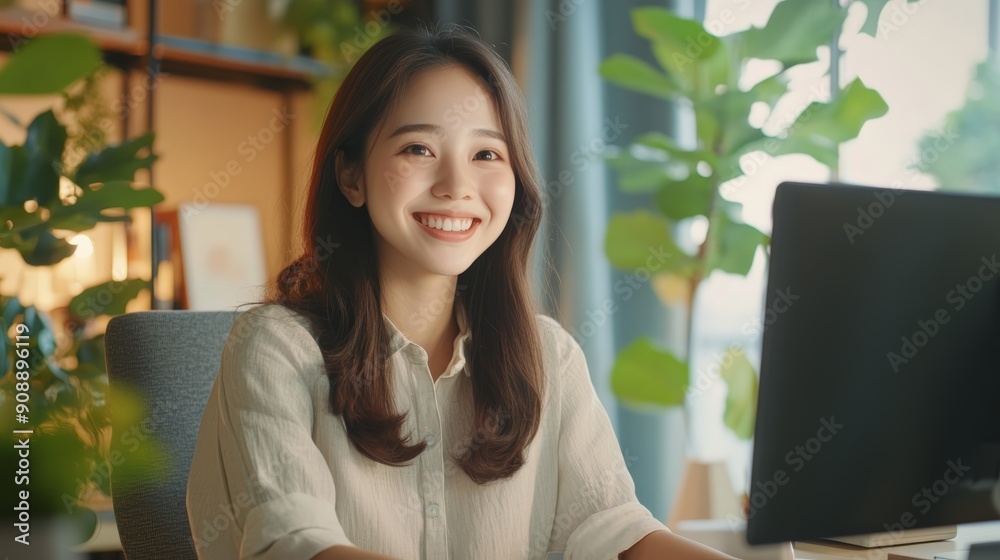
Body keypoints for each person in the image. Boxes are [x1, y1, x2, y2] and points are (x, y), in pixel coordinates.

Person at [186, 23, 739, 560]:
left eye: (486, 155)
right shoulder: (276, 349)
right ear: (351, 176)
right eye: (418, 150)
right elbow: (295, 543)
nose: (456, 187)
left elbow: (613, 527)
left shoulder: (547, 355)